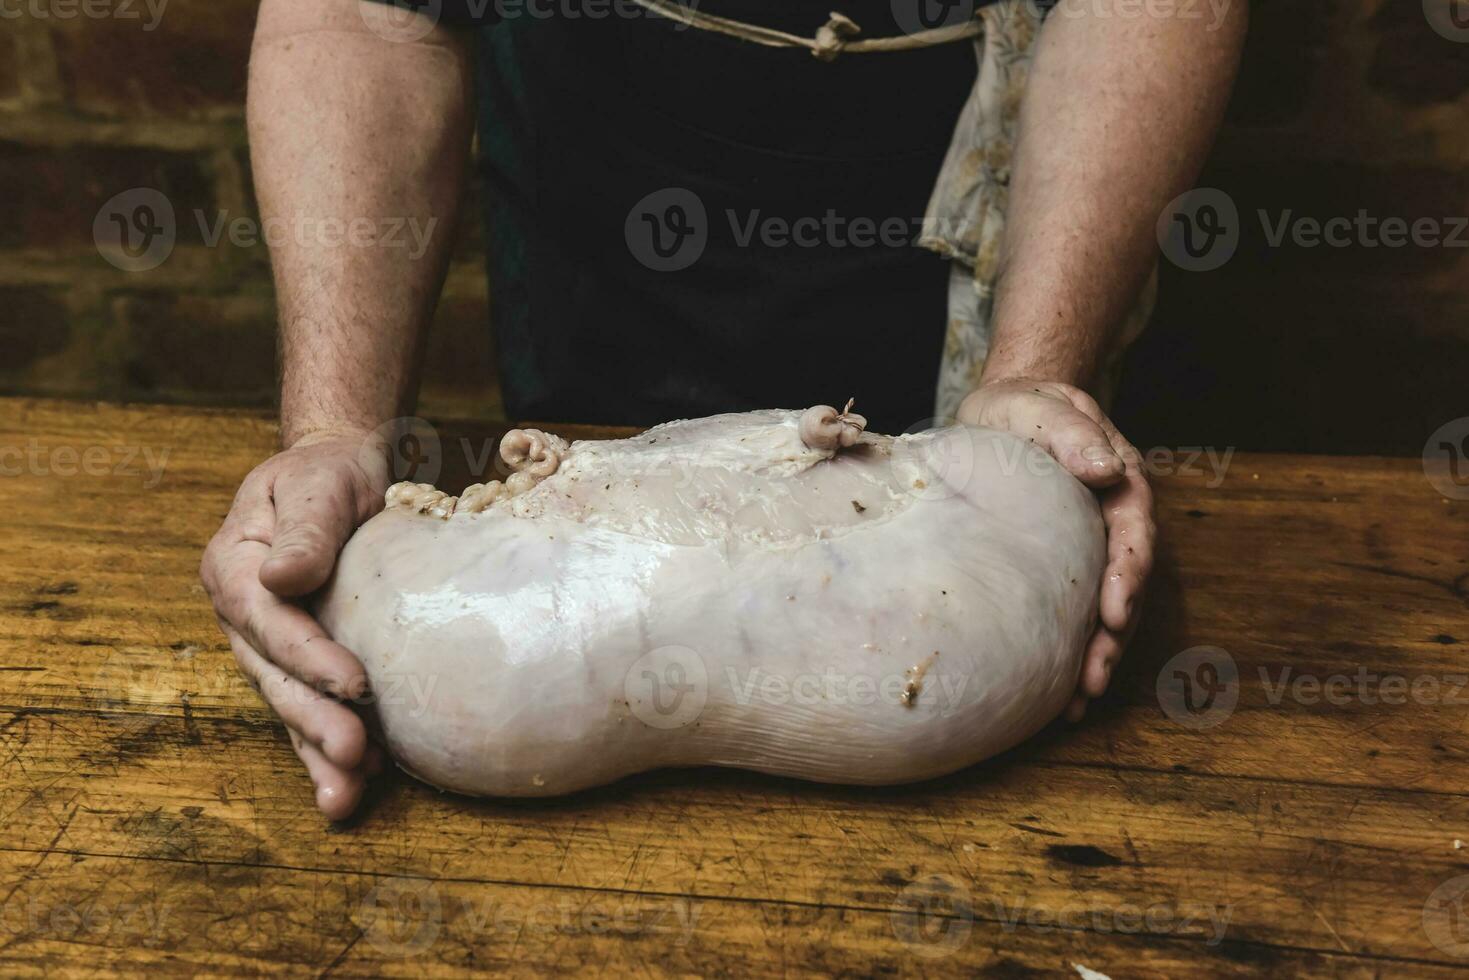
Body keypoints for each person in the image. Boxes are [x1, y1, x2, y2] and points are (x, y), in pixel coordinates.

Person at [201, 0, 1247, 818]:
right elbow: (364, 13)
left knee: (1014, 554)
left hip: (982, 199)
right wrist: (335, 431)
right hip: (607, 179)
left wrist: (1035, 365)